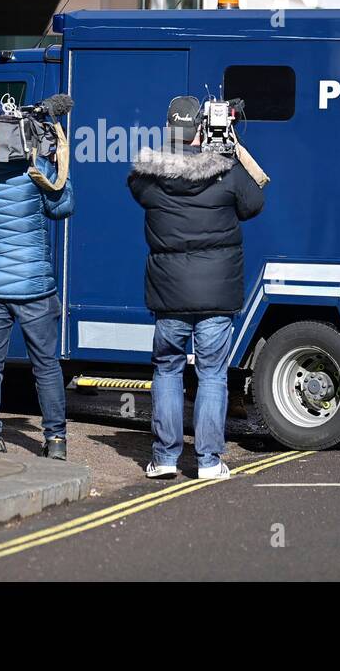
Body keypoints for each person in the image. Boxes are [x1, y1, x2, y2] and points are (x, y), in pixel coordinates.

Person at [128, 95, 265, 480]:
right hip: (217, 294)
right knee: (212, 374)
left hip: (169, 294)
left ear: (170, 127)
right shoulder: (224, 169)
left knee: (168, 371)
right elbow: (254, 204)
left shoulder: (148, 178)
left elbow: (135, 184)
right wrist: (228, 148)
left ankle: (166, 458)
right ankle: (207, 461)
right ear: (201, 128)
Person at [0, 97, 74, 458]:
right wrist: (59, 168)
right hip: (32, 281)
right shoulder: (32, 163)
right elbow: (61, 207)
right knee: (46, 365)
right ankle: (55, 441)